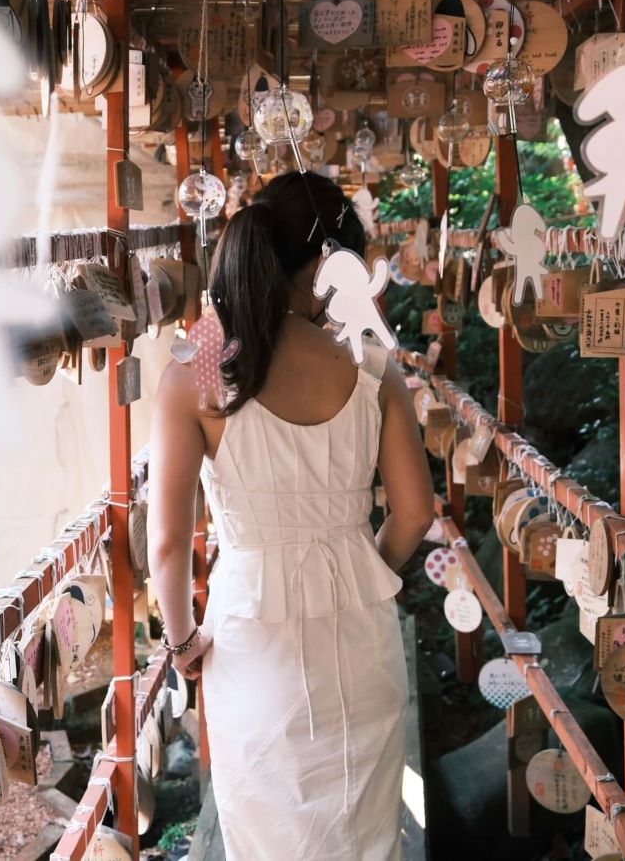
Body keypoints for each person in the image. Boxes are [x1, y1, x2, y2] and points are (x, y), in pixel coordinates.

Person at [149, 170, 436, 859]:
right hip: (360, 637)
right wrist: (363, 566)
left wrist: (182, 642)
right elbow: (416, 511)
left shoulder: (200, 369)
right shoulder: (370, 364)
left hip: (253, 643)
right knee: (365, 834)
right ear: (324, 267)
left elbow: (165, 544)